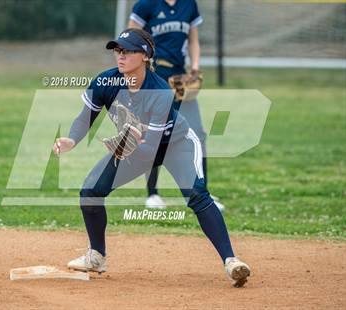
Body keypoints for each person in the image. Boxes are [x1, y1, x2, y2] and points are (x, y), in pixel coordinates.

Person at [53, 28, 250, 287]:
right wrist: (72, 139)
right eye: (117, 51)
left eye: (127, 51)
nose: (120, 56)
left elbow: (149, 150)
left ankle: (231, 261)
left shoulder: (159, 91)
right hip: (137, 145)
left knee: (197, 196)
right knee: (90, 192)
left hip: (177, 145)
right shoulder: (106, 82)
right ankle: (96, 256)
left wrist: (123, 144)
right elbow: (85, 118)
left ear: (145, 55)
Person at [129, 0, 225, 211]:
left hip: (180, 79)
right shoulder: (146, 5)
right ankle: (152, 194)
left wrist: (196, 69)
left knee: (197, 134)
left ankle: (202, 194)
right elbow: (129, 42)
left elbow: (193, 40)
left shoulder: (188, 4)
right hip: (154, 77)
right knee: (154, 134)